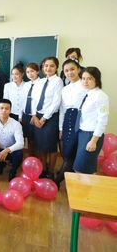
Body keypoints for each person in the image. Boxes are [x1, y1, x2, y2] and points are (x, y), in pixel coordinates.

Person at [31, 57, 63, 180]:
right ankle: (43, 168)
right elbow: (34, 99)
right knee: (40, 145)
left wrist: (43, 119)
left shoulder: (58, 81)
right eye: (45, 66)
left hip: (50, 117)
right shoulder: (40, 81)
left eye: (51, 66)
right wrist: (34, 115)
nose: (48, 68)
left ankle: (51, 170)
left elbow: (56, 102)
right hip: (38, 115)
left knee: (50, 146)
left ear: (56, 68)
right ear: (42, 67)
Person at [56, 60, 86, 188]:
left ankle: (57, 181)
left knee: (73, 154)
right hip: (67, 119)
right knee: (67, 152)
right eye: (66, 70)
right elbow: (62, 109)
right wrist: (61, 128)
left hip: (81, 120)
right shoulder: (65, 89)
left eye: (72, 69)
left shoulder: (85, 85)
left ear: (78, 69)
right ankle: (69, 177)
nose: (70, 72)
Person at [73, 67, 109, 174]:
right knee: (86, 166)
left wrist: (93, 141)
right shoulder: (87, 94)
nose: (85, 81)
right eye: (83, 78)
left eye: (89, 78)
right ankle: (86, 189)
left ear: (96, 80)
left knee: (81, 168)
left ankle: (86, 189)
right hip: (82, 132)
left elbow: (103, 120)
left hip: (92, 135)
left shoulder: (101, 96)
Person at [19, 63, 40, 156]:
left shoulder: (42, 83)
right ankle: (28, 158)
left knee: (34, 139)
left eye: (32, 71)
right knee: (25, 137)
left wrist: (34, 114)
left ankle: (35, 159)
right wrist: (20, 116)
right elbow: (22, 101)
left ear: (37, 71)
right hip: (25, 115)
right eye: (28, 72)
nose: (30, 74)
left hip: (35, 115)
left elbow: (40, 101)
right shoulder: (26, 85)